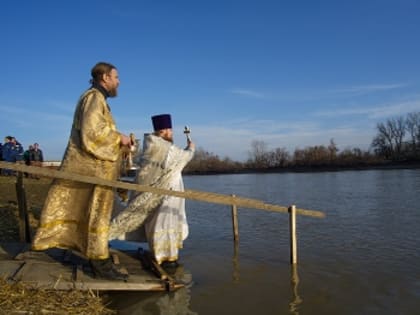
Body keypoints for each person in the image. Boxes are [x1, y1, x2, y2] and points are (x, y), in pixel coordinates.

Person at [32, 62, 132, 280]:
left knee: (93, 216)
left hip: (97, 171)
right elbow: (93, 133)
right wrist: (119, 138)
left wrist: (121, 145)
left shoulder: (96, 99)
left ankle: (99, 259)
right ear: (105, 77)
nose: (119, 81)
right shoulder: (94, 98)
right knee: (96, 216)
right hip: (94, 171)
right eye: (116, 76)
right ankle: (100, 264)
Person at [109, 114, 195, 270]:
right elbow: (182, 159)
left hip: (159, 193)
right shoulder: (163, 147)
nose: (172, 133)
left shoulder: (151, 144)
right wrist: (190, 149)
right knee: (166, 222)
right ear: (164, 131)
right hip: (166, 194)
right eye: (170, 130)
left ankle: (160, 254)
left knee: (157, 223)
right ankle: (167, 259)